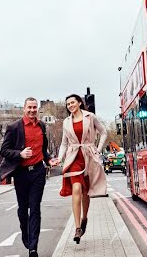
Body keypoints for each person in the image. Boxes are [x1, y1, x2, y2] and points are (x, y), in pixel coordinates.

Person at [0, 98, 51, 257]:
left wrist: (48, 159)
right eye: (30, 107)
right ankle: (25, 231)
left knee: (35, 208)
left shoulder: (41, 126)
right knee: (23, 209)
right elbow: (4, 151)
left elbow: (44, 149)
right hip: (21, 173)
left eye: (35, 107)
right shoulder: (14, 127)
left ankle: (33, 247)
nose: (32, 110)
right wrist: (19, 153)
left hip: (38, 173)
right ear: (24, 109)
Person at [50, 93, 108, 244]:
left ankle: (84, 218)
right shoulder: (66, 122)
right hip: (74, 157)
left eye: (72, 102)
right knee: (76, 188)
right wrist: (59, 158)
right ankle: (77, 228)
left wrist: (98, 149)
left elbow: (103, 132)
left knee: (85, 192)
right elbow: (64, 143)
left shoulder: (90, 116)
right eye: (68, 104)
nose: (70, 105)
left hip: (88, 157)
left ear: (79, 103)